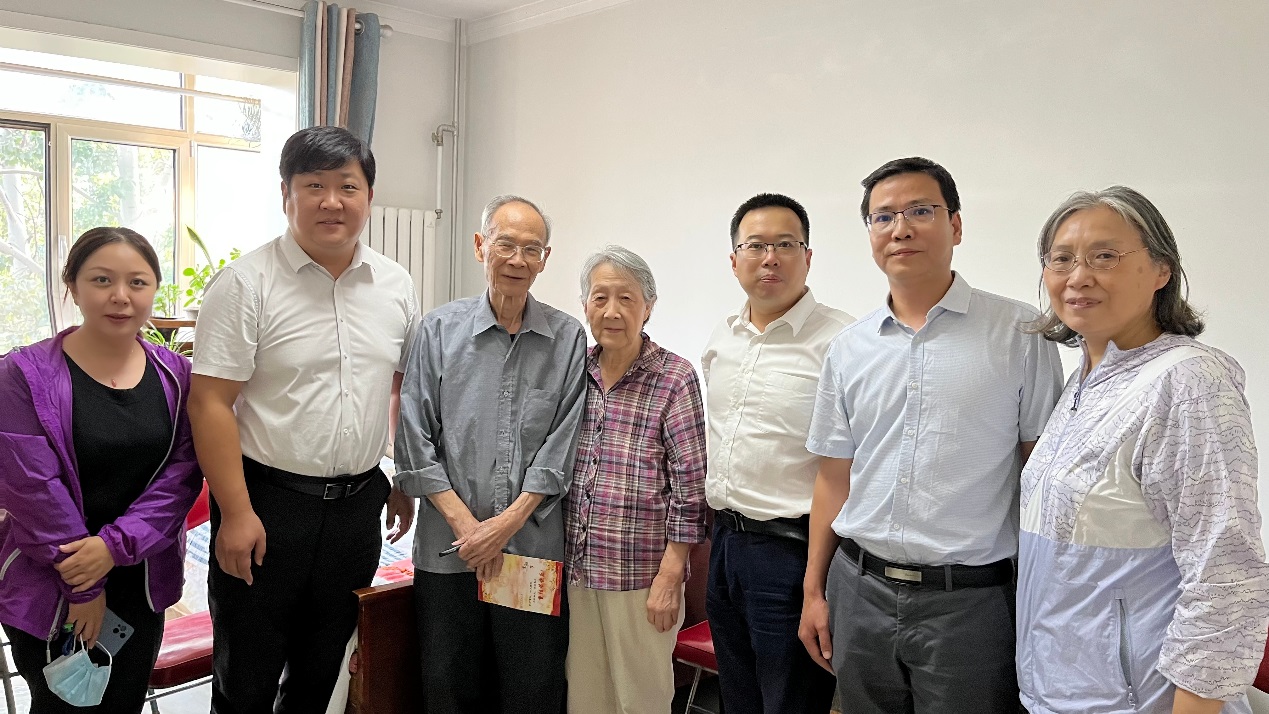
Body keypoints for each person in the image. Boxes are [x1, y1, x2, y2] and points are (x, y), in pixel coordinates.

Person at [800, 157, 1063, 713]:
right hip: (859, 588)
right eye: (883, 217)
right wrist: (814, 590)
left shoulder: (1020, 334)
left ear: (956, 226)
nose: (901, 229)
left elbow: (1041, 475)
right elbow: (833, 477)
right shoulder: (848, 349)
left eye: (921, 211)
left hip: (970, 604)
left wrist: (1045, 601)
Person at [189, 126, 418, 713]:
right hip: (268, 504)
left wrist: (400, 474)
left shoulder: (395, 285)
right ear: (286, 194)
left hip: (356, 508)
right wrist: (236, 512)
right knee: (246, 678)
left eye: (348, 186)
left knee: (321, 673)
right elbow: (210, 402)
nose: (332, 201)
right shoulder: (245, 284)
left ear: (369, 196)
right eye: (314, 185)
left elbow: (398, 387)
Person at [1016, 186, 1269, 713]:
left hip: (1145, 701)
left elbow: (1225, 571)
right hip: (1059, 694)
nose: (1078, 276)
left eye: (1104, 256)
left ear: (1161, 271)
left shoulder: (1189, 381)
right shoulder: (1084, 381)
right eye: (1061, 259)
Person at [395, 194, 587, 714]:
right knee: (449, 687)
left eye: (532, 249)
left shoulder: (568, 338)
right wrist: (469, 529)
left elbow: (561, 446)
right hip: (448, 550)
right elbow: (414, 438)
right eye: (506, 245)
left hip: (531, 549)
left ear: (545, 259)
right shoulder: (438, 330)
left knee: (533, 688)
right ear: (481, 246)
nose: (517, 260)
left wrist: (502, 527)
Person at [0, 227, 202, 712]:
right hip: (52, 577)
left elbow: (181, 475)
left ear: (154, 289)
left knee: (125, 700)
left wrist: (113, 548)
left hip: (141, 577)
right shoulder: (21, 374)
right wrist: (84, 584)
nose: (121, 296)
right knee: (62, 706)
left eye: (137, 282)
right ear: (72, 285)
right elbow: (32, 487)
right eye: (102, 279)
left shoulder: (176, 376)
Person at [701, 193, 852, 713]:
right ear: (734, 259)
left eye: (785, 245)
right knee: (737, 699)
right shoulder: (723, 337)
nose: (770, 258)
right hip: (725, 545)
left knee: (791, 703)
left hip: (794, 553)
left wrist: (816, 585)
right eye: (756, 246)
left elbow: (850, 469)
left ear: (807, 256)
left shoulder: (842, 341)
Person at [564, 245, 708, 714]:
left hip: (641, 578)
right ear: (585, 305)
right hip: (579, 570)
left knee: (640, 701)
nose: (612, 311)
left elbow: (691, 487)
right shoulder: (574, 371)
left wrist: (671, 575)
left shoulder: (674, 377)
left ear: (648, 306)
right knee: (586, 699)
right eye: (600, 297)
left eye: (626, 298)